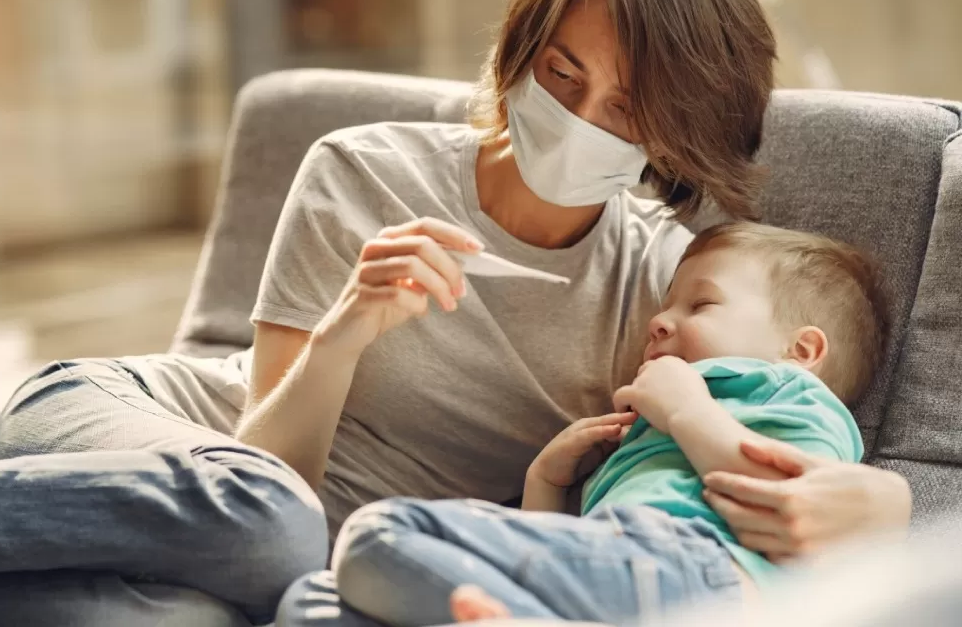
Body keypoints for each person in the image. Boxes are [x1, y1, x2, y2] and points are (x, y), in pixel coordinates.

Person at [0, 0, 912, 624]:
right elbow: (267, 465)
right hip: (134, 434)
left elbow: (763, 446)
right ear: (519, 55)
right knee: (272, 522)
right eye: (562, 73)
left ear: (673, 137)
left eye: (624, 110)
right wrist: (348, 331)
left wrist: (891, 507)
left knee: (152, 620)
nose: (578, 116)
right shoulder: (364, 170)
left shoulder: (665, 287)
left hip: (277, 555)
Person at [275, 222, 889, 626]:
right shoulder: (648, 431)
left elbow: (781, 496)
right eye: (664, 304)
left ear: (802, 350)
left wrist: (686, 407)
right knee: (312, 604)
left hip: (710, 578)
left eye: (701, 304)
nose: (660, 321)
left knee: (380, 533)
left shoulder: (791, 395)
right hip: (631, 578)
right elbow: (568, 563)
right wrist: (546, 481)